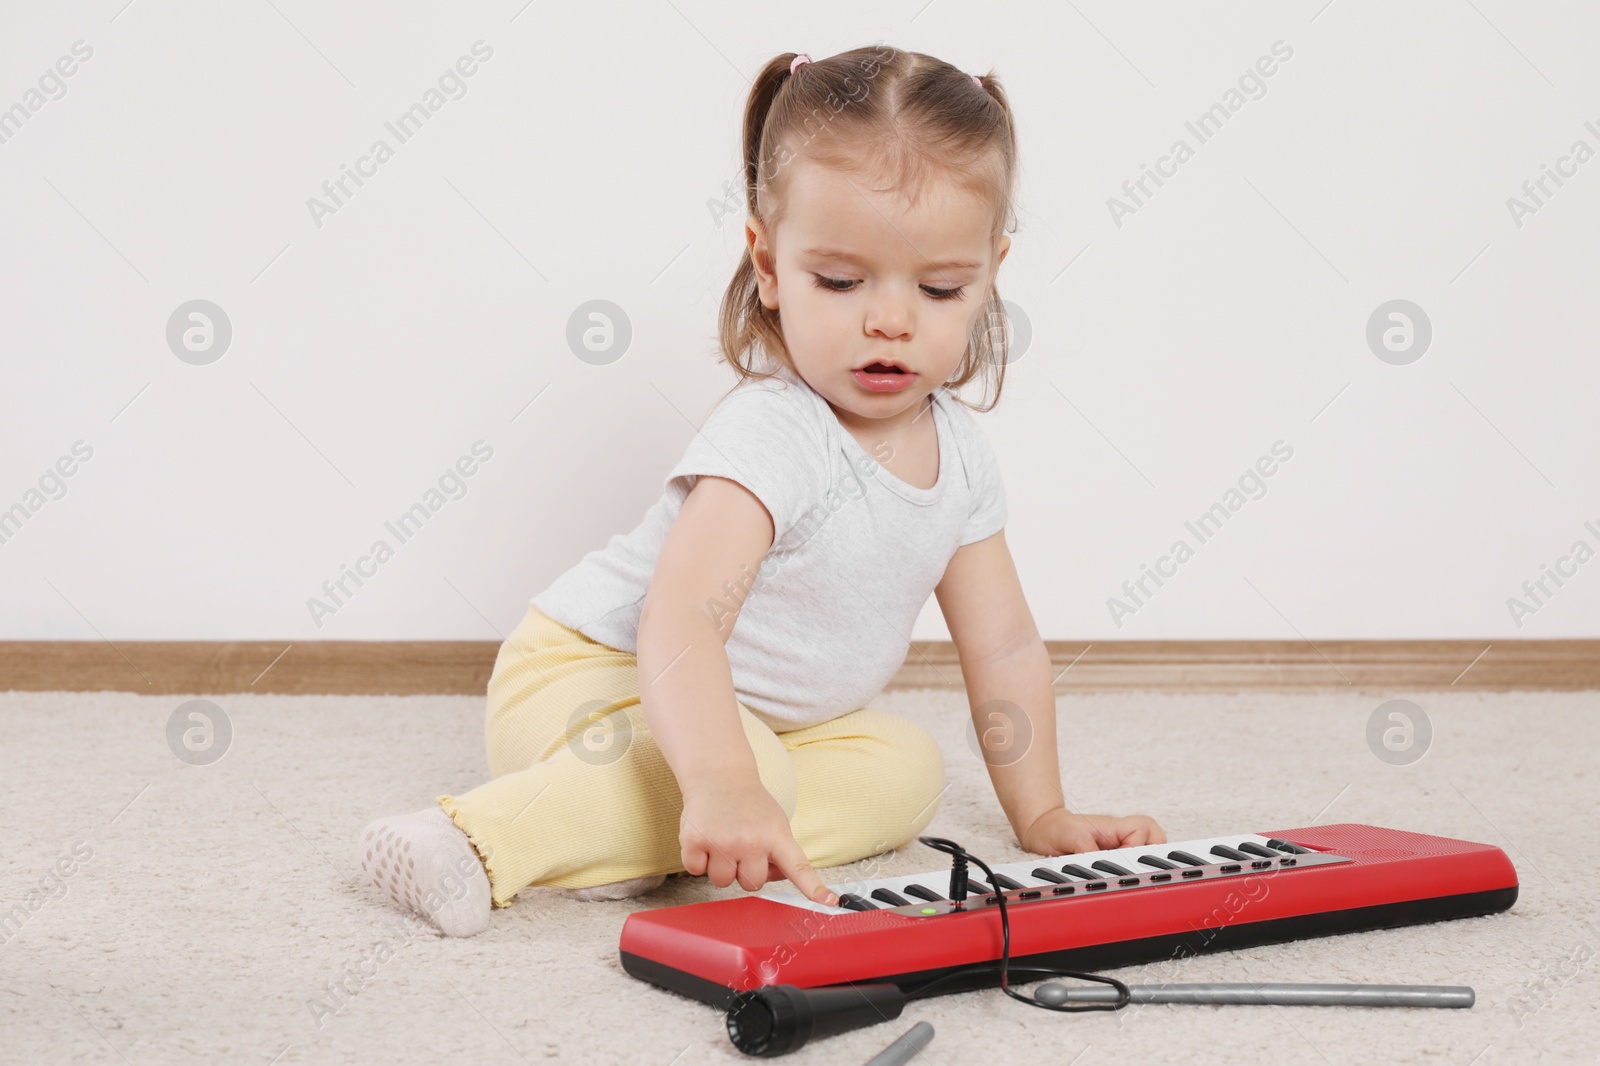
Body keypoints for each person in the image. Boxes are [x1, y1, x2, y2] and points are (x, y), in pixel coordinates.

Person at [355, 45, 1164, 937]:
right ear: (769, 264)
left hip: (744, 723)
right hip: (593, 678)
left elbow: (1005, 648)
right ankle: (471, 840)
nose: (889, 318)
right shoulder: (776, 433)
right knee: (755, 773)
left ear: (988, 277)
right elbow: (681, 622)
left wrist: (1044, 815)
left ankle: (637, 835)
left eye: (939, 287)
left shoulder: (962, 460)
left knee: (904, 769)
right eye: (841, 280)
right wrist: (727, 777)